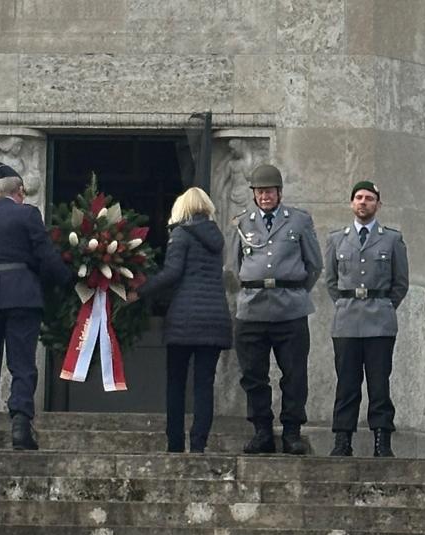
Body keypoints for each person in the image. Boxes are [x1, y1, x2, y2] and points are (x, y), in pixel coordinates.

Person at [0, 165, 72, 450]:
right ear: (20, 192)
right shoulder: (28, 213)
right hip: (21, 293)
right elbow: (44, 254)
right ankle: (20, 427)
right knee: (22, 362)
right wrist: (67, 281)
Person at [225, 164, 322, 455]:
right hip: (252, 308)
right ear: (253, 195)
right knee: (253, 374)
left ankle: (292, 431)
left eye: (269, 191)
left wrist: (292, 290)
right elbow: (233, 267)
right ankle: (262, 430)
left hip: (289, 306)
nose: (265, 196)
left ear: (279, 192)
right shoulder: (242, 223)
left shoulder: (299, 221)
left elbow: (314, 265)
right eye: (260, 191)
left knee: (294, 373)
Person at [130, 186, 232, 453]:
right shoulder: (216, 237)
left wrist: (139, 292)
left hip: (185, 320)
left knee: (176, 383)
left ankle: (175, 443)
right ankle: (199, 444)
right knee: (204, 385)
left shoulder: (181, 234)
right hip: (214, 318)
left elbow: (172, 273)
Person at [325, 181, 408, 457]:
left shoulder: (392, 239)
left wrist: (384, 304)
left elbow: (400, 283)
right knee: (346, 384)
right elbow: (331, 281)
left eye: (369, 198)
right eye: (359, 198)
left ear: (378, 205)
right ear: (351, 203)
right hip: (347, 319)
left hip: (379, 319)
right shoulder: (337, 239)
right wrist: (347, 302)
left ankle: (382, 440)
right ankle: (342, 439)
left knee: (379, 383)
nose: (363, 202)